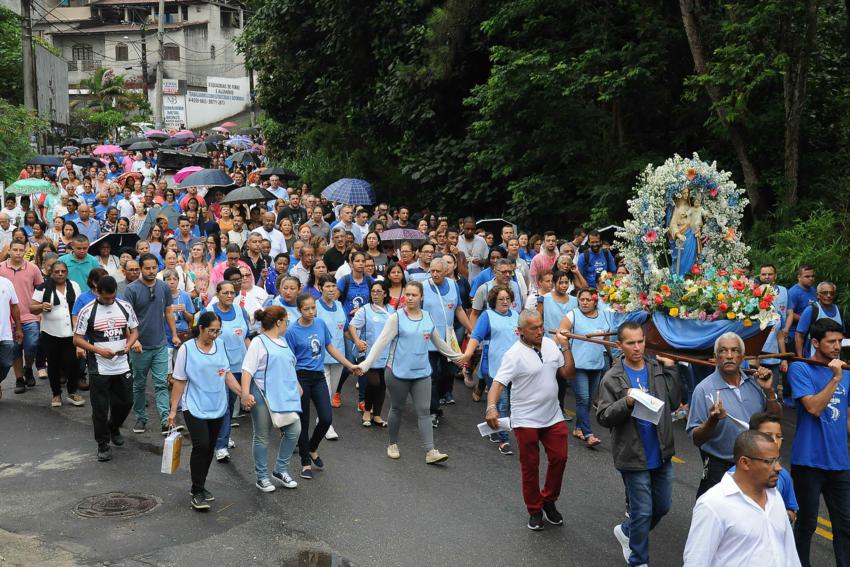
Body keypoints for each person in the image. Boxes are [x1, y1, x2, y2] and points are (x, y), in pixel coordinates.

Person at [595, 322, 680, 567]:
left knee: (661, 507)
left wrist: (672, 369)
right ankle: (638, 560)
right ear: (620, 345)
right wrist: (627, 402)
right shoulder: (612, 377)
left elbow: (673, 403)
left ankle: (627, 530)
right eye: (630, 343)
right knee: (642, 511)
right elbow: (603, 417)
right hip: (633, 454)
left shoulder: (656, 368)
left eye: (640, 341)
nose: (637, 347)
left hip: (661, 451)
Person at [487, 309, 574, 530]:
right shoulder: (513, 354)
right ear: (521, 331)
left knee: (560, 458)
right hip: (525, 419)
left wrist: (565, 346)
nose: (540, 331)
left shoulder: (551, 345)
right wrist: (491, 407)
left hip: (552, 415)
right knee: (530, 466)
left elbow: (567, 373)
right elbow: (498, 383)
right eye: (533, 328)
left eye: (541, 326)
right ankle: (534, 510)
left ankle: (549, 500)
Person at [356, 281, 461, 463]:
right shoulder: (396, 318)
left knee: (424, 411)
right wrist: (365, 365)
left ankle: (431, 451)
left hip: (422, 373)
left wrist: (457, 357)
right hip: (397, 373)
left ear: (421, 297)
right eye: (408, 295)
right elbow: (380, 343)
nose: (410, 298)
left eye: (414, 295)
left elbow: (438, 342)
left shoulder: (427, 316)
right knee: (397, 408)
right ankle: (392, 443)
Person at [683, 430, 801, 567]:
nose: (779, 468)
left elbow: (790, 554)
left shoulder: (775, 497)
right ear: (745, 462)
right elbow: (696, 562)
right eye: (770, 461)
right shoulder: (713, 505)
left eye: (778, 460)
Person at [686, 332, 781, 497]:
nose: (729, 356)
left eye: (734, 350)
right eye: (723, 351)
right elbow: (697, 439)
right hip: (720, 469)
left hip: (755, 464)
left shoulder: (756, 383)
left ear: (742, 356)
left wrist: (769, 391)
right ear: (715, 356)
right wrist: (712, 420)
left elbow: (775, 419)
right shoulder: (703, 389)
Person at [787, 318, 850, 566]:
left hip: (840, 463)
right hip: (808, 461)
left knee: (845, 527)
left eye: (840, 341)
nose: (837, 346)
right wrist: (834, 379)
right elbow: (813, 407)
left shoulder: (845, 372)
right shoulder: (800, 368)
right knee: (806, 525)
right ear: (815, 342)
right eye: (831, 341)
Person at [167, 311, 243, 511]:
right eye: (211, 331)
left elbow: (227, 374)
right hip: (194, 405)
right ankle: (197, 490)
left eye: (218, 331)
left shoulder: (220, 345)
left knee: (210, 449)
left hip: (217, 406)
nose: (215, 335)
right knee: (202, 445)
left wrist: (242, 393)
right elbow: (180, 381)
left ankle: (199, 485)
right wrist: (173, 410)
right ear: (200, 328)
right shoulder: (187, 349)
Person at [285, 292, 361, 480]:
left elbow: (330, 347)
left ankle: (312, 447)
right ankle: (305, 462)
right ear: (299, 310)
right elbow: (288, 360)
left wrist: (349, 365)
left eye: (313, 307)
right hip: (301, 378)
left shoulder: (320, 324)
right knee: (303, 422)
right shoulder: (292, 331)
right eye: (307, 309)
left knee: (326, 418)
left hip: (318, 377)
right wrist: (294, 382)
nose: (311, 312)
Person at [73, 276, 139, 462]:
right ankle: (102, 444)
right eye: (106, 298)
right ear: (97, 292)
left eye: (113, 297)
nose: (110, 301)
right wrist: (98, 350)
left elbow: (134, 331)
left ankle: (114, 426)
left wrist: (129, 345)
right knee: (100, 408)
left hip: (122, 364)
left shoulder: (124, 306)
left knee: (126, 401)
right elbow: (77, 339)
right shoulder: (87, 311)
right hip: (99, 367)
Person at [240, 306, 303, 492]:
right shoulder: (259, 342)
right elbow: (247, 369)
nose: (287, 325)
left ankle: (280, 469)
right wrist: (245, 394)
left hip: (285, 396)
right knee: (262, 436)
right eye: (286, 321)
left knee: (294, 430)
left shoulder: (283, 341)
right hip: (262, 394)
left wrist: (297, 385)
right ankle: (261, 477)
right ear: (278, 322)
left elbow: (288, 366)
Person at [459, 285, 520, 455]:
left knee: (504, 403)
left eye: (507, 299)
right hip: (494, 367)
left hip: (514, 368)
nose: (505, 302)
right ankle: (504, 439)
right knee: (503, 402)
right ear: (493, 301)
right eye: (501, 299)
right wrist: (467, 355)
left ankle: (493, 428)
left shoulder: (515, 315)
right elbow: (476, 337)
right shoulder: (487, 316)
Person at [125, 253, 180, 435]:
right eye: (147, 268)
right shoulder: (131, 289)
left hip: (160, 344)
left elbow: (169, 312)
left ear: (158, 268)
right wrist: (134, 340)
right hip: (139, 347)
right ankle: (141, 418)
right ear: (140, 268)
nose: (150, 271)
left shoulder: (164, 287)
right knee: (139, 385)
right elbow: (126, 319)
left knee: (161, 384)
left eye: (154, 268)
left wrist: (173, 334)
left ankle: (165, 420)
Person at [198, 280, 251, 462]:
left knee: (229, 404)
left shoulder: (241, 311)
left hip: (239, 366)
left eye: (232, 293)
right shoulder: (209, 313)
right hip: (219, 368)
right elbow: (201, 339)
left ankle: (224, 436)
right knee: (223, 404)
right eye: (225, 292)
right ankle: (220, 445)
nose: (229, 296)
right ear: (217, 294)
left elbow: (246, 337)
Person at [561, 288, 612, 448]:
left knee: (589, 399)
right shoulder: (573, 314)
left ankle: (578, 428)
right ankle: (588, 434)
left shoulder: (604, 315)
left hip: (596, 364)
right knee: (583, 398)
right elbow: (561, 334)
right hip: (577, 365)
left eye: (587, 300)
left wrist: (613, 357)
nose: (584, 302)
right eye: (581, 299)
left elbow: (607, 339)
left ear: (595, 301)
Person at [422, 257, 472, 415]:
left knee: (449, 371)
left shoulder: (453, 285)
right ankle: (433, 409)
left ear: (446, 272)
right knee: (432, 375)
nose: (435, 274)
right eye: (432, 271)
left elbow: (458, 309)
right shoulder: (423, 287)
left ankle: (442, 396)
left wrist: (471, 330)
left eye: (438, 271)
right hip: (428, 339)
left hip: (448, 339)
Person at [727, 412, 798, 523]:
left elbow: (791, 509)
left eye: (778, 436)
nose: (774, 441)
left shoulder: (783, 475)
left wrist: (782, 517)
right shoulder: (735, 475)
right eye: (768, 436)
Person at [31, 260, 84, 408]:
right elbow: (32, 308)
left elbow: (80, 307)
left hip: (71, 333)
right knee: (53, 364)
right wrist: (42, 306)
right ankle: (56, 394)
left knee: (73, 364)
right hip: (50, 332)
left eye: (63, 271)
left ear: (67, 272)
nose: (60, 274)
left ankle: (72, 392)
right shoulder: (42, 288)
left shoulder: (74, 286)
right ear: (51, 273)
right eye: (56, 272)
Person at [0, 239, 44, 394]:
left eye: (21, 250)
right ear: (9, 251)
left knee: (32, 345)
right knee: (15, 350)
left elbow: (41, 290)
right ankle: (19, 379)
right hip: (8, 319)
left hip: (30, 315)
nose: (18, 253)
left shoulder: (33, 268)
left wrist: (39, 309)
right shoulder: (1, 268)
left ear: (25, 251)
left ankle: (28, 368)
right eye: (15, 250)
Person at [348, 280, 393, 427]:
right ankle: (367, 411)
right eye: (373, 291)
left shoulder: (392, 311)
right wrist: (357, 341)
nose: (375, 294)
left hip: (387, 354)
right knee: (374, 383)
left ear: (385, 293)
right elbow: (352, 326)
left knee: (382, 385)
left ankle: (378, 415)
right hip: (370, 354)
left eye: (378, 291)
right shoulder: (365, 310)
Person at [315, 274, 347, 438]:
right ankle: (326, 425)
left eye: (333, 286)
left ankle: (322, 419)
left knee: (332, 391)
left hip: (338, 356)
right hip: (320, 357)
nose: (330, 289)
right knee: (325, 393)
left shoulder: (340, 305)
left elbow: (345, 329)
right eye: (327, 286)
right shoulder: (315, 307)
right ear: (320, 288)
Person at [794, 281, 843, 358]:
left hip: (835, 358)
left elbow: (842, 335)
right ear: (818, 295)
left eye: (831, 293)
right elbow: (799, 336)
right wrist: (800, 358)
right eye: (824, 293)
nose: (828, 295)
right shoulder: (811, 310)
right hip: (813, 357)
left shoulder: (839, 310)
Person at [457, 217, 489, 281]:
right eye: (467, 229)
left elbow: (487, 261)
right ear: (463, 227)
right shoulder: (457, 240)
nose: (470, 231)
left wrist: (480, 262)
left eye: (472, 229)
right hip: (461, 279)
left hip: (478, 278)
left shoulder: (481, 240)